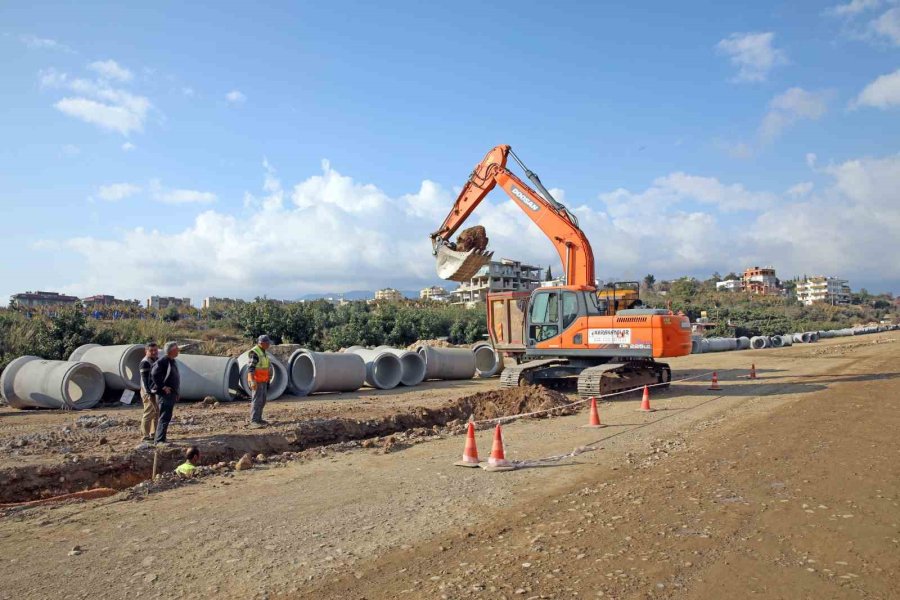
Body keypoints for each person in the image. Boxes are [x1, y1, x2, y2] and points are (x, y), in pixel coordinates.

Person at [151, 341, 181, 445]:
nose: (178, 351)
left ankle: (161, 439)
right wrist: (163, 387)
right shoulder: (163, 361)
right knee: (164, 417)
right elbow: (154, 374)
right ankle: (159, 440)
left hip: (171, 394)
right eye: (177, 349)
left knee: (166, 417)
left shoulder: (172, 361)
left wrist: (176, 392)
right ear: (172, 350)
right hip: (165, 395)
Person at [247, 335, 273, 428]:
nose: (269, 345)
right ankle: (254, 421)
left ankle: (259, 419)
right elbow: (250, 368)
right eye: (267, 343)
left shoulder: (263, 352)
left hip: (263, 381)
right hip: (257, 381)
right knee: (257, 400)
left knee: (262, 400)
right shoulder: (255, 353)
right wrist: (252, 380)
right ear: (261, 343)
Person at [139, 342, 160, 442]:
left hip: (154, 390)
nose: (154, 352)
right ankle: (145, 435)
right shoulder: (145, 362)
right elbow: (144, 379)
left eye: (155, 350)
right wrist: (149, 393)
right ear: (146, 351)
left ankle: (154, 434)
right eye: (151, 350)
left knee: (156, 413)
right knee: (148, 413)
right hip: (148, 391)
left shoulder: (156, 360)